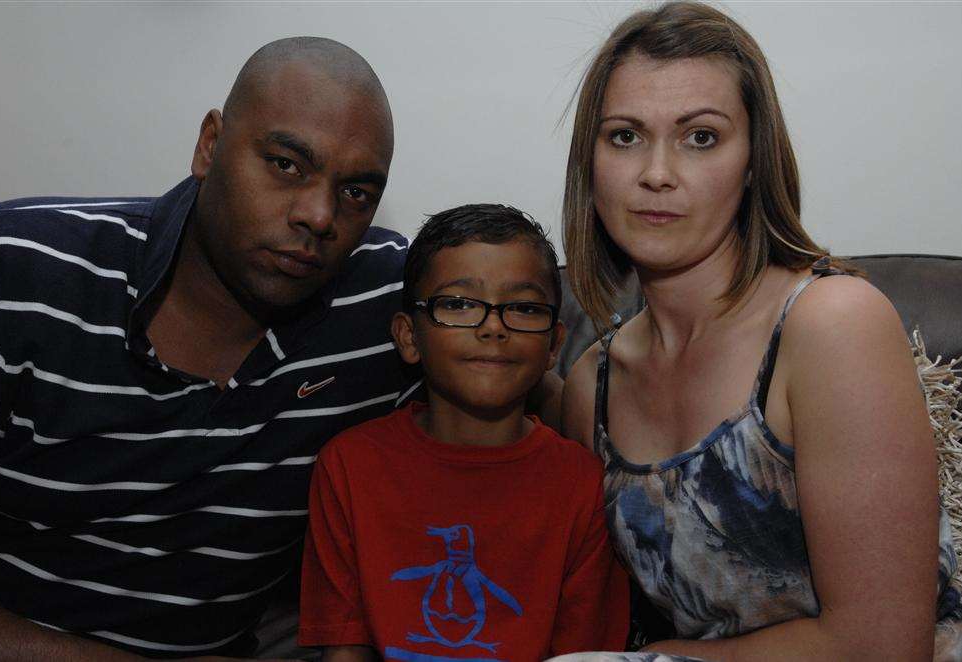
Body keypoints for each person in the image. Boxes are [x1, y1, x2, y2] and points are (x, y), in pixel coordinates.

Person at [0, 37, 419, 659]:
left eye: (357, 193)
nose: (319, 216)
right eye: (287, 164)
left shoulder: (387, 305)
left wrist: (598, 363)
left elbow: (520, 357)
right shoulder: (9, 273)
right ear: (210, 145)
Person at [556, 2, 962, 661]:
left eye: (701, 137)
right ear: (589, 164)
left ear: (752, 163)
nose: (656, 172)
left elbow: (882, 645)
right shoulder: (589, 387)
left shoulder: (831, 325)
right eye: (624, 136)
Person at [298, 204, 629, 661]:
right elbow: (344, 650)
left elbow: (585, 655)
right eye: (457, 304)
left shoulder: (585, 487)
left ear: (554, 344)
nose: (493, 326)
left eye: (524, 307)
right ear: (409, 336)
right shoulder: (349, 467)